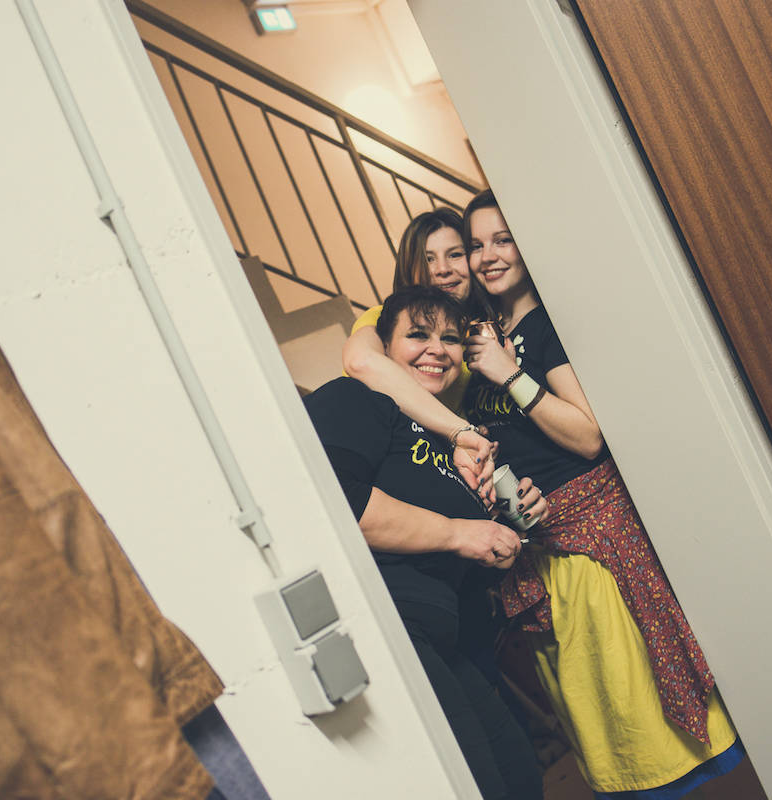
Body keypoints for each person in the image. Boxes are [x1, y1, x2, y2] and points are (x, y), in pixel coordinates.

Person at [460, 190, 745, 799]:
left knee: (642, 716)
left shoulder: (544, 328)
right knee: (605, 725)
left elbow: (588, 435)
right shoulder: (486, 336)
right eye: (476, 245)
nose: (488, 256)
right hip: (537, 552)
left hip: (590, 546)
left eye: (502, 240)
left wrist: (509, 375)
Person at [305, 286, 545, 800]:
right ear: (384, 348)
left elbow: (468, 567)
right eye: (418, 335)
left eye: (451, 339)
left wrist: (506, 531)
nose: (437, 349)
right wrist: (461, 532)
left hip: (443, 637)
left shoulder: (447, 442)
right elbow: (337, 505)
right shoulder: (353, 399)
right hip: (388, 626)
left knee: (520, 774)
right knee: (480, 784)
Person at [342, 208, 497, 496]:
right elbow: (360, 361)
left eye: (455, 254)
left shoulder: (473, 339)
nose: (442, 269)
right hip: (368, 463)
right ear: (409, 269)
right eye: (428, 259)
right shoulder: (383, 318)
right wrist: (462, 430)